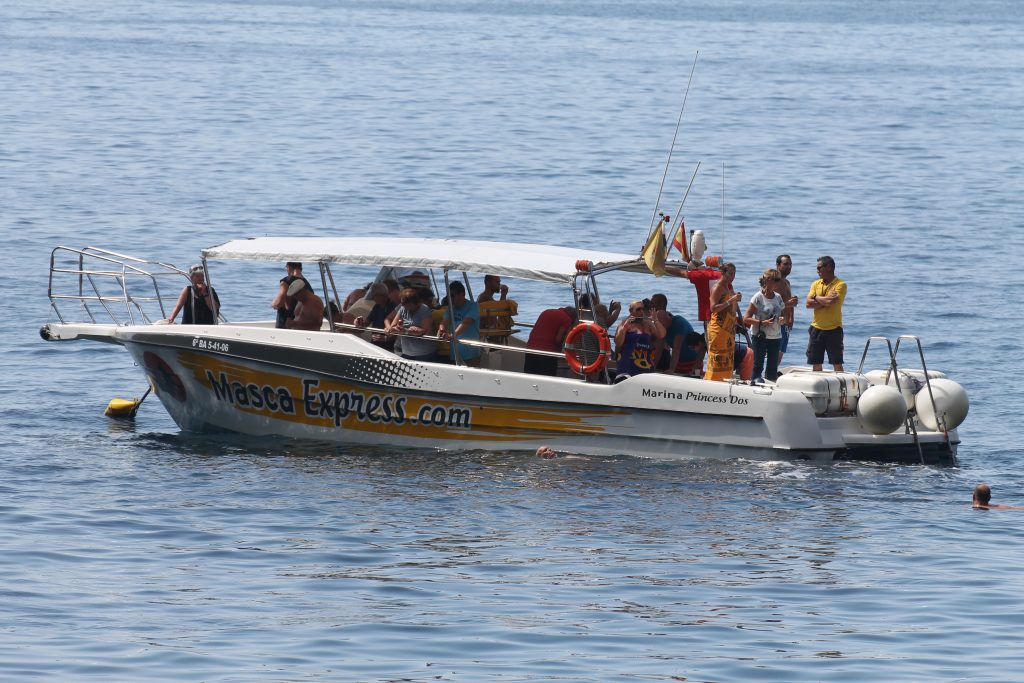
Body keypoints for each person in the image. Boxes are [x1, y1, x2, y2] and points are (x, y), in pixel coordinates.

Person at [743, 268, 785, 383]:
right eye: (775, 280)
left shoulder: (778, 297)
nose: (778, 283)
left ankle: (771, 385)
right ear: (767, 280)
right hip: (759, 335)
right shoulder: (758, 297)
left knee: (772, 367)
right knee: (758, 365)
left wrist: (782, 319)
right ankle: (754, 383)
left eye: (779, 280)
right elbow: (746, 318)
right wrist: (762, 323)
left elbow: (783, 315)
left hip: (775, 336)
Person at [805, 255, 847, 372]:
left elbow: (830, 302)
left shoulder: (840, 284)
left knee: (837, 363)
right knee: (816, 363)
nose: (817, 271)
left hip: (834, 329)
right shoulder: (815, 284)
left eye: (819, 268)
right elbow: (808, 304)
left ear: (828, 267)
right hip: (816, 328)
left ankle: (841, 388)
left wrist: (816, 298)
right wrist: (821, 299)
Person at [705, 262, 742, 381]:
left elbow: (730, 304)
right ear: (723, 273)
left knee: (727, 358)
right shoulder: (717, 287)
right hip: (719, 328)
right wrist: (731, 301)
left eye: (734, 274)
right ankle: (713, 381)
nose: (732, 277)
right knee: (717, 358)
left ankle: (724, 380)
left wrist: (736, 299)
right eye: (730, 274)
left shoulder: (728, 287)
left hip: (728, 330)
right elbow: (713, 308)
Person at [613, 300, 665, 380]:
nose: (641, 312)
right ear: (631, 311)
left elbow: (661, 335)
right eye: (638, 309)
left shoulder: (648, 323)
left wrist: (655, 320)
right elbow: (618, 343)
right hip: (627, 365)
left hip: (645, 365)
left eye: (642, 309)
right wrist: (624, 329)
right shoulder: (624, 323)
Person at [385, 287, 438, 362]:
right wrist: (395, 328)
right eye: (402, 303)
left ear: (413, 302)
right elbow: (393, 326)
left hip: (424, 353)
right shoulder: (402, 309)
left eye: (404, 304)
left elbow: (424, 330)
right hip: (407, 353)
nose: (403, 305)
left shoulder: (424, 310)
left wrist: (406, 331)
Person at [666, 260, 722, 330]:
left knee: (712, 338)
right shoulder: (721, 275)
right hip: (725, 314)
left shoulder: (700, 275)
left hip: (710, 316)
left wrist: (662, 267)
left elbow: (681, 273)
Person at [650, 293, 696, 375]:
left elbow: (676, 349)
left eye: (662, 325)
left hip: (693, 361)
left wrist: (671, 369)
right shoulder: (662, 322)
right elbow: (659, 348)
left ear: (667, 321)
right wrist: (653, 367)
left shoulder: (679, 323)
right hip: (679, 362)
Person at [438, 281, 482, 366]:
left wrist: (451, 336)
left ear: (461, 294)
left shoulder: (473, 306)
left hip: (471, 352)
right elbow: (444, 322)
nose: (450, 299)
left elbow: (465, 323)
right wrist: (441, 330)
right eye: (449, 296)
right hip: (455, 353)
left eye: (452, 296)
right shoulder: (450, 308)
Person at [525, 305, 576, 376]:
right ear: (573, 317)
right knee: (547, 377)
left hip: (531, 347)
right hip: (547, 351)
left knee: (530, 376)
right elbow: (558, 339)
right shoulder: (567, 319)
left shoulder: (546, 311)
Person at [353, 282, 396, 350]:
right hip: (375, 341)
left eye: (374, 295)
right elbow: (367, 322)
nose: (373, 298)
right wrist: (359, 321)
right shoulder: (376, 307)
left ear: (383, 295)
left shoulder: (393, 307)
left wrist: (385, 338)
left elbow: (396, 329)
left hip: (389, 344)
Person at [775, 254, 799, 364]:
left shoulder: (787, 282)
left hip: (786, 326)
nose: (788, 267)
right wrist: (789, 303)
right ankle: (769, 375)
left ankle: (773, 375)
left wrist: (791, 320)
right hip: (777, 323)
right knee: (774, 354)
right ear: (778, 265)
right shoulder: (775, 282)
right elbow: (771, 305)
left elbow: (790, 304)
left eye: (790, 264)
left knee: (779, 356)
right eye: (785, 264)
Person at [272, 262, 309, 329]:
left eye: (286, 267)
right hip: (301, 325)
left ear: (289, 267)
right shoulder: (307, 285)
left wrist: (273, 302)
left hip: (286, 325)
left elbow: (278, 304)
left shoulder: (286, 281)